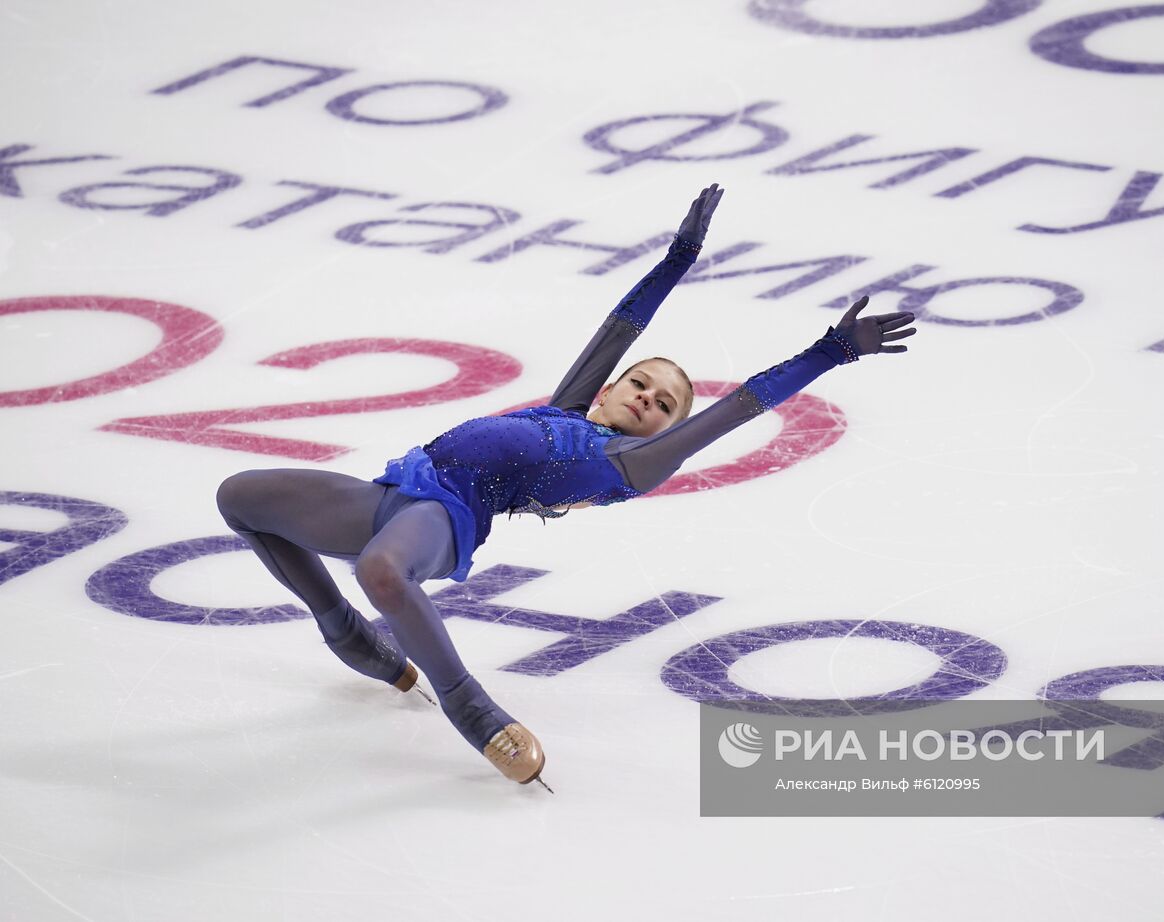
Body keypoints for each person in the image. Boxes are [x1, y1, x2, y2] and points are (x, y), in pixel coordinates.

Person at [216, 184, 917, 790]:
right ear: (610, 389)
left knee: (381, 570)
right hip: (394, 492)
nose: (650, 398)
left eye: (667, 404)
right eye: (641, 383)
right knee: (240, 498)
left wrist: (830, 351)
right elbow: (622, 325)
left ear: (669, 428)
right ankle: (349, 634)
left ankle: (471, 708)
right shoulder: (568, 406)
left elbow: (745, 402)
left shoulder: (634, 464)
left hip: (446, 515)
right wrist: (677, 261)